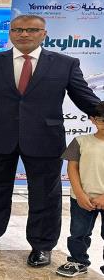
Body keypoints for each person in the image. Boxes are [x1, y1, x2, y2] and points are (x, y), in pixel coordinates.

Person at [0, 14, 101, 268]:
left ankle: (42, 245)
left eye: (32, 30)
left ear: (44, 34)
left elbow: (85, 97)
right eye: (18, 30)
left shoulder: (65, 64)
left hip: (45, 138)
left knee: (45, 193)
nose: (24, 34)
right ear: (10, 33)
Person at [56, 102, 104, 277]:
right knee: (78, 233)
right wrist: (80, 194)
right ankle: (78, 261)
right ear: (92, 119)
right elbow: (72, 168)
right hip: (82, 199)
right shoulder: (80, 141)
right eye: (101, 119)